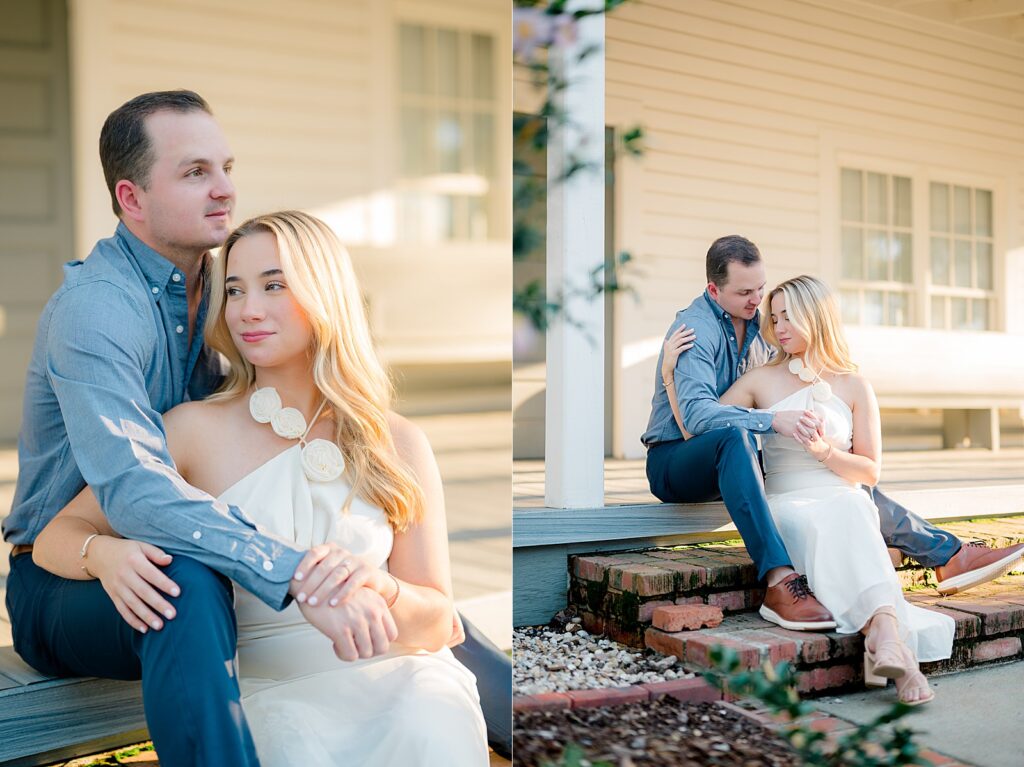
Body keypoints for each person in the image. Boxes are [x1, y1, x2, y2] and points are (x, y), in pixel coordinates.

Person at [2, 90, 508, 765]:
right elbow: (133, 494)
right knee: (188, 581)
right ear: (132, 198)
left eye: (226, 166)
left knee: (432, 648)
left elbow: (425, 604)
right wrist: (296, 570)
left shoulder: (207, 283)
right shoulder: (97, 312)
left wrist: (367, 587)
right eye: (194, 173)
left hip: (236, 568)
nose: (225, 189)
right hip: (68, 573)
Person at [641, 235, 1023, 632]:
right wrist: (766, 416)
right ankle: (779, 579)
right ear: (713, 290)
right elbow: (698, 421)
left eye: (760, 288)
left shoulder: (757, 322)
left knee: (830, 478)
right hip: (678, 458)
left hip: (730, 456)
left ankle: (949, 554)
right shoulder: (694, 331)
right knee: (735, 440)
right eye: (745, 292)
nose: (758, 302)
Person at [663, 275, 955, 704]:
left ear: (816, 317)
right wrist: (672, 376)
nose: (779, 327)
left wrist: (824, 452)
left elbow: (870, 471)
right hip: (787, 505)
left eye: (789, 317)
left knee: (854, 504)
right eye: (774, 317)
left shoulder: (855, 385)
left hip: (840, 495)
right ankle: (891, 643)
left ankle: (889, 640)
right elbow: (698, 427)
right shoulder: (761, 380)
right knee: (848, 511)